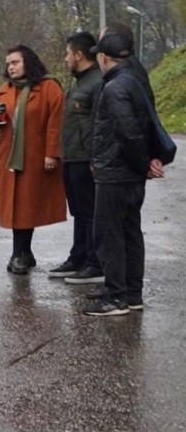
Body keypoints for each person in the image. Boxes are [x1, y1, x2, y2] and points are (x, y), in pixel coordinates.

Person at [83, 25, 163, 316]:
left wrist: (143, 163)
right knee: (130, 233)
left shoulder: (115, 87)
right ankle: (131, 294)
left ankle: (116, 297)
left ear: (104, 58)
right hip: (128, 173)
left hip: (116, 173)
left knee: (110, 234)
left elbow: (128, 132)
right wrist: (147, 162)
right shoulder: (134, 79)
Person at [0, 45, 66, 274]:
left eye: (15, 62)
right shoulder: (5, 89)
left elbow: (55, 123)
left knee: (26, 205)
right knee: (13, 205)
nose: (10, 67)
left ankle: (20, 253)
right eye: (8, 64)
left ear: (28, 62)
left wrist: (51, 152)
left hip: (34, 157)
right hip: (9, 157)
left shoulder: (49, 87)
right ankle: (23, 253)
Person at [48, 32, 105, 285]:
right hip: (72, 158)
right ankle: (78, 256)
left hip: (86, 159)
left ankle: (95, 263)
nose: (65, 58)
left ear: (79, 55)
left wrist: (95, 159)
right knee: (80, 211)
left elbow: (100, 125)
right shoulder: (79, 82)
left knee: (90, 212)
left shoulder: (97, 83)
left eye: (68, 53)